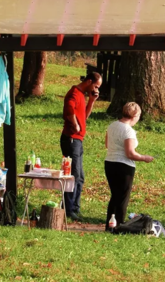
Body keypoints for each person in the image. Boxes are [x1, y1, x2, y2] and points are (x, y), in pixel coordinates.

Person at [104, 102, 154, 231]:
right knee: (122, 198)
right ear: (135, 115)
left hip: (109, 162)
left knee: (115, 196)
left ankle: (110, 224)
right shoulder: (128, 131)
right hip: (124, 166)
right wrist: (144, 158)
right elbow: (130, 153)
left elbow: (107, 144)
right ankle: (119, 225)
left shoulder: (112, 125)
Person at [61, 71, 102, 220]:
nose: (96, 89)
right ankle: (68, 208)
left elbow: (84, 116)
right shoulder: (74, 93)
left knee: (80, 176)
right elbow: (69, 110)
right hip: (71, 139)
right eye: (96, 86)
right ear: (89, 81)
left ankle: (75, 208)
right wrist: (75, 125)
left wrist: (91, 100)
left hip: (78, 140)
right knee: (73, 174)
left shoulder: (82, 95)